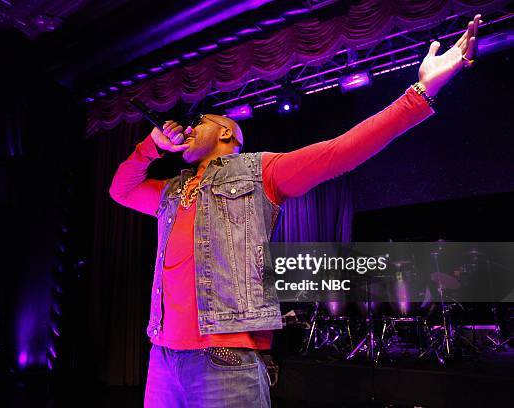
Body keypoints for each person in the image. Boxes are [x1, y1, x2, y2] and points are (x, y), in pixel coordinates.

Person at [109, 15, 482, 408]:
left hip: (225, 358)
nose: (188, 128)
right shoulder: (173, 191)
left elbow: (341, 151)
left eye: (200, 121)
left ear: (225, 132)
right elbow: (121, 189)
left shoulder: (260, 172)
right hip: (162, 356)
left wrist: (421, 92)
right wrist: (151, 147)